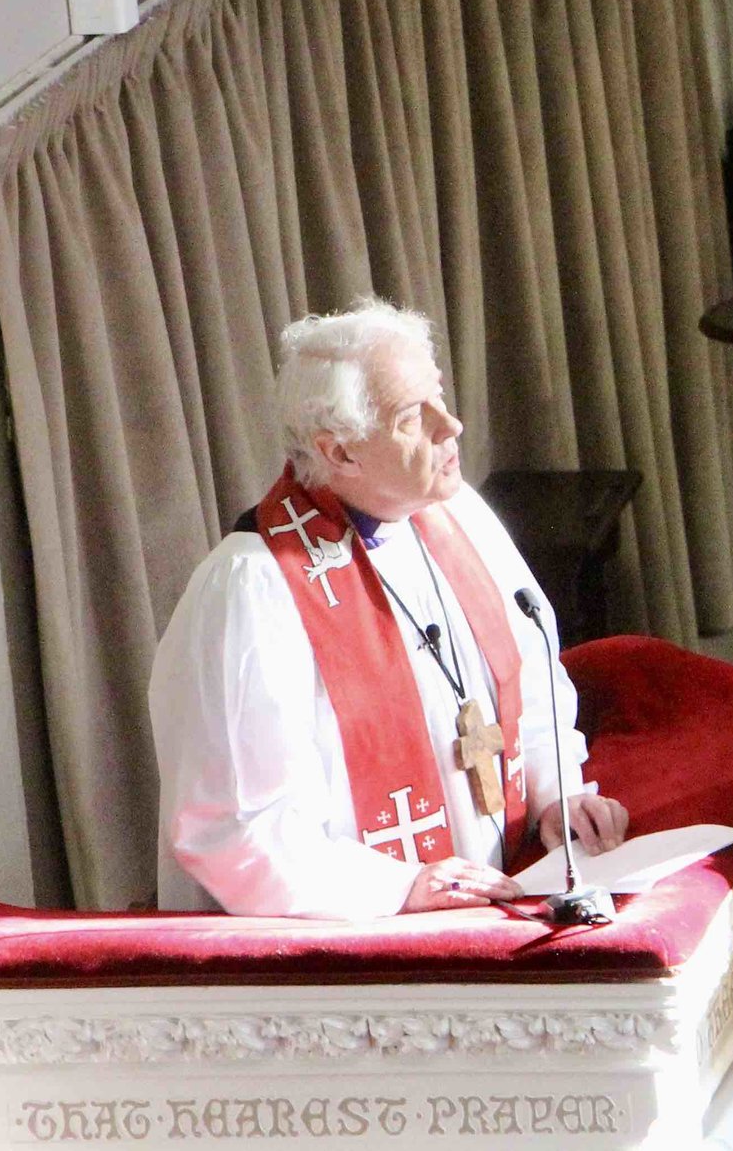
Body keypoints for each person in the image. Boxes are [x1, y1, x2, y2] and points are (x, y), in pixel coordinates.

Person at [149, 298, 629, 919]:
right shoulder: (252, 590)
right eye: (412, 417)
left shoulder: (458, 518)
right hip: (359, 939)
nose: (449, 426)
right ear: (341, 453)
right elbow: (236, 825)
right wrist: (397, 888)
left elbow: (529, 685)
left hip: (498, 896)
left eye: (440, 398)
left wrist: (555, 795)